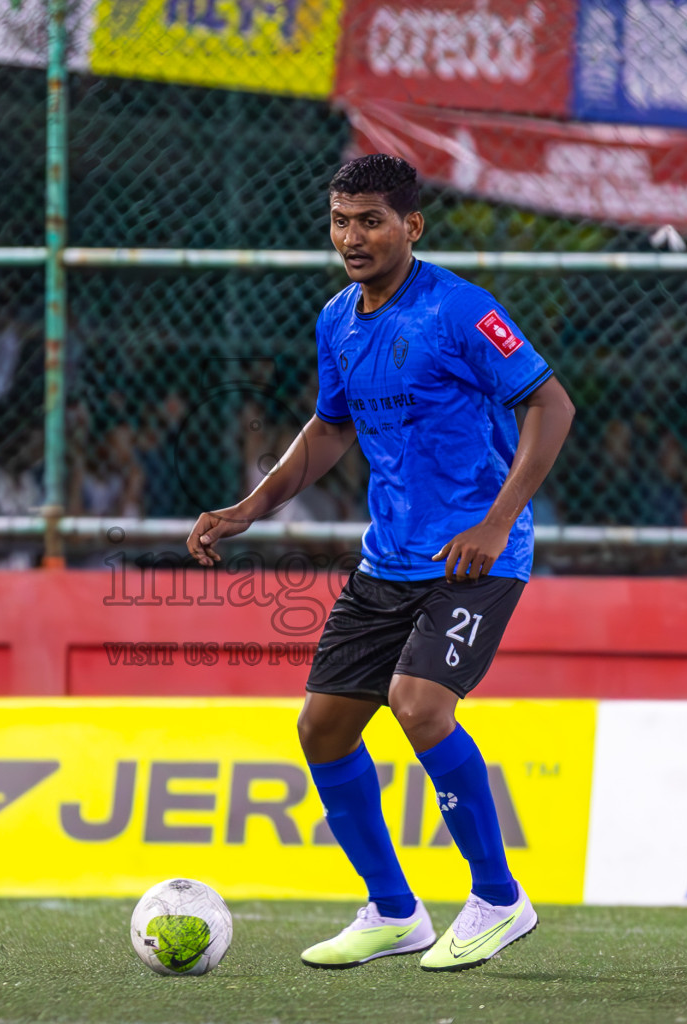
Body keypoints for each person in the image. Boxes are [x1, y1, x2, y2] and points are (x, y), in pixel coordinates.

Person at [186, 154, 573, 972]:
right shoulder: (337, 319)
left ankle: (500, 899)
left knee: (418, 704)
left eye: (370, 220)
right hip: (388, 562)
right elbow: (329, 429)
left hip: (476, 556)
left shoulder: (460, 311)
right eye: (339, 220)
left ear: (412, 226)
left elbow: (551, 403)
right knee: (321, 729)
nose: (351, 236)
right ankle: (395, 911)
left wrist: (498, 522)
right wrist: (248, 509)